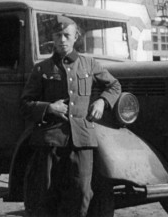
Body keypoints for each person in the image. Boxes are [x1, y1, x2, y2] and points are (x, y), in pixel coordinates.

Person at [20, 15, 121, 217]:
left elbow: (114, 85)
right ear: (53, 38)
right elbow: (25, 103)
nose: (62, 40)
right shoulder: (42, 69)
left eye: (67, 35)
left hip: (82, 140)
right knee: (47, 194)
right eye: (58, 35)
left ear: (76, 37)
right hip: (51, 140)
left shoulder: (89, 64)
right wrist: (49, 108)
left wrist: (102, 101)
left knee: (82, 193)